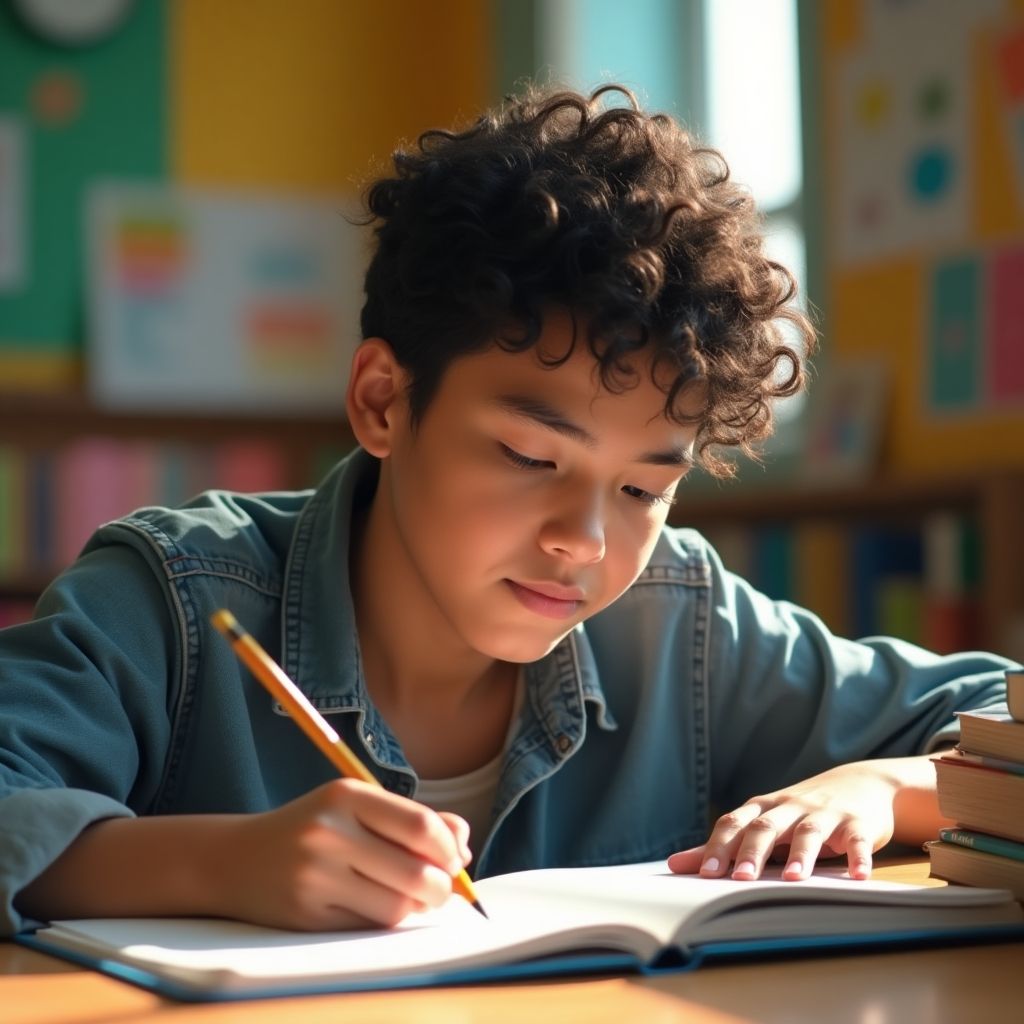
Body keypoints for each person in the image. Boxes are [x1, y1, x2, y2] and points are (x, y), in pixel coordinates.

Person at [0, 84, 1014, 937]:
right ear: (383, 401)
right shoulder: (174, 599)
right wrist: (214, 866)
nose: (584, 538)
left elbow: (1003, 710)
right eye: (530, 456)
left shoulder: (680, 624)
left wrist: (882, 787)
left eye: (644, 489)